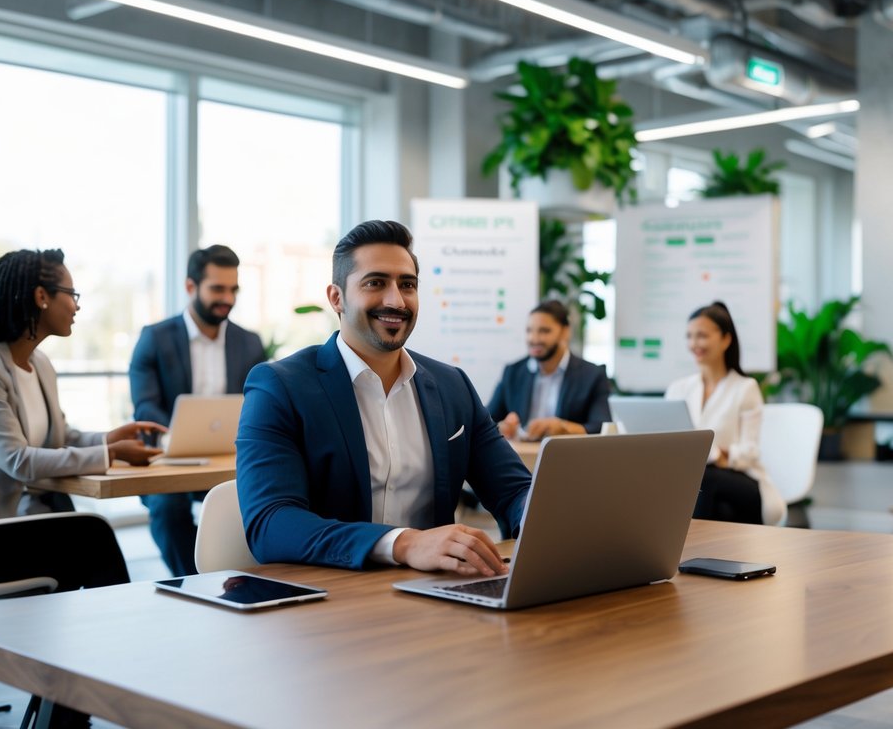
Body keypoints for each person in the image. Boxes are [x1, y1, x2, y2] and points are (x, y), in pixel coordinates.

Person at [0, 249, 164, 728]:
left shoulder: (38, 364)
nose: (77, 305)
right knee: (92, 538)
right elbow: (18, 459)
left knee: (86, 546)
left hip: (21, 528)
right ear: (42, 296)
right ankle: (103, 686)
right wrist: (109, 455)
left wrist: (110, 439)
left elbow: (58, 438)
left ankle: (73, 709)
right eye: (71, 294)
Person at [236, 220, 531, 574]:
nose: (396, 300)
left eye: (407, 285)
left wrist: (544, 519)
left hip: (436, 590)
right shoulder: (279, 387)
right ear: (336, 298)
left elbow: (515, 491)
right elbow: (271, 523)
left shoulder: (453, 386)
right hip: (332, 590)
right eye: (375, 283)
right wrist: (403, 544)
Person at [129, 244, 266, 576]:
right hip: (168, 462)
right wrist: (177, 437)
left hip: (231, 459)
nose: (227, 298)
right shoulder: (154, 339)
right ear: (191, 286)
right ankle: (196, 582)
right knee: (167, 507)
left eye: (233, 289)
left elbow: (260, 405)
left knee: (259, 499)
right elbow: (145, 406)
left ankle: (247, 580)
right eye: (217, 289)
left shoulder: (249, 342)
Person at [664, 301, 784, 526]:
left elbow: (750, 452)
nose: (694, 343)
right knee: (718, 507)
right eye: (689, 336)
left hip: (741, 480)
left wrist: (717, 455)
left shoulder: (745, 388)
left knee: (703, 477)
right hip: (694, 482)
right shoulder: (678, 389)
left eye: (702, 336)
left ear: (726, 339)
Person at [487, 299, 612, 440]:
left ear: (565, 332)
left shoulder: (592, 375)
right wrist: (502, 427)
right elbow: (486, 422)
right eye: (529, 330)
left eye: (544, 331)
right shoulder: (513, 372)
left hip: (565, 453)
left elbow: (602, 428)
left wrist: (564, 427)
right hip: (521, 452)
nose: (534, 339)